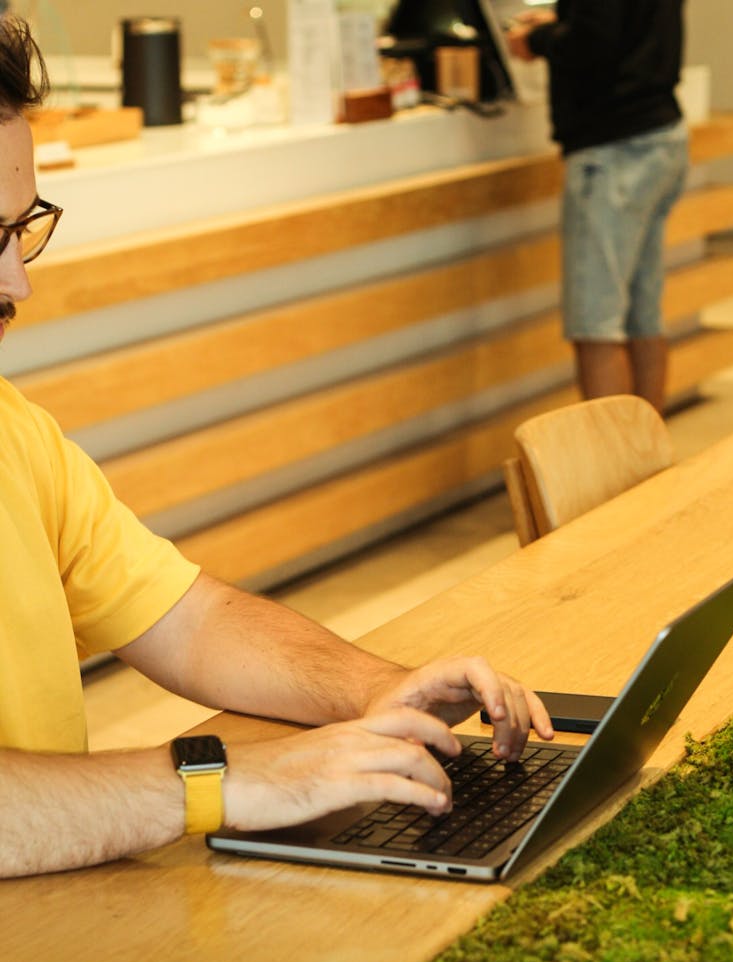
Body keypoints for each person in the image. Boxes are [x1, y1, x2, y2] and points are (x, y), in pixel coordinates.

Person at [0, 17, 553, 880]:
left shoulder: (12, 431)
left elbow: (188, 620)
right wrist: (220, 782)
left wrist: (372, 689)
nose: (18, 281)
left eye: (19, 226)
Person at [507, 0, 688, 413]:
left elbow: (593, 43)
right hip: (660, 132)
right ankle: (650, 469)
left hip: (612, 147)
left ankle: (616, 476)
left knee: (597, 327)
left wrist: (537, 39)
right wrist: (562, 20)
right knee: (642, 317)